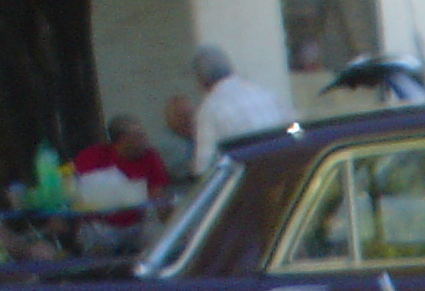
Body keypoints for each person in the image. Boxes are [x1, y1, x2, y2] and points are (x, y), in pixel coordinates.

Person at [191, 45, 289, 173]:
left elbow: (205, 165)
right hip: (284, 168)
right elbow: (293, 130)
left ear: (201, 80)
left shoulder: (210, 109)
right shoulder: (264, 93)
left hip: (251, 175)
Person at [72, 115, 172, 232]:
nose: (145, 140)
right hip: (100, 224)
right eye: (139, 136)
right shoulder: (92, 156)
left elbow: (158, 191)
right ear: (122, 140)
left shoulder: (150, 156)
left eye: (143, 135)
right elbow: (75, 188)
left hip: (139, 222)